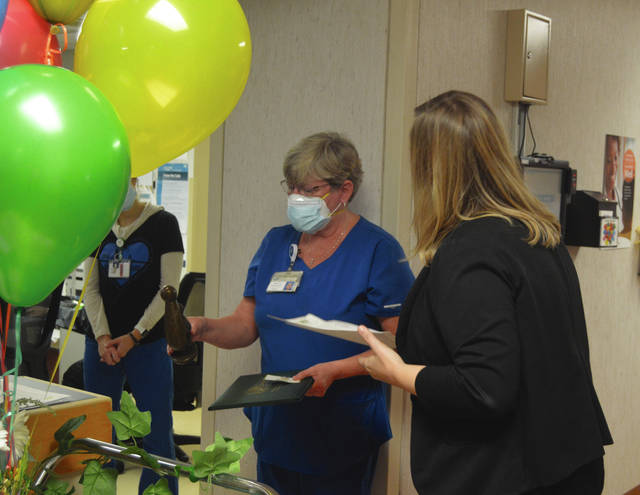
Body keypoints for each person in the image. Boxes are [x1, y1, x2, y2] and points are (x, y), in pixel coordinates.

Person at [358, 91, 612, 495]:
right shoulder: (538, 233)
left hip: (505, 475)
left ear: (431, 169)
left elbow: (484, 387)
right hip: (566, 462)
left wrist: (397, 373)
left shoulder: (469, 252)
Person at [188, 132, 415, 495]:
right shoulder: (277, 243)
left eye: (310, 190)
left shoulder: (377, 250)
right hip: (278, 425)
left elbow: (402, 343)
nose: (298, 198)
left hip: (342, 428)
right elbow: (246, 325)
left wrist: (336, 371)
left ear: (345, 190)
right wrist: (202, 328)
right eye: (292, 187)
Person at [83, 178, 183, 495]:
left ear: (134, 180)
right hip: (101, 344)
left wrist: (135, 335)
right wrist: (102, 337)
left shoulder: (164, 223)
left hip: (148, 343)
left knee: (156, 434)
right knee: (101, 431)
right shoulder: (96, 224)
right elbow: (91, 289)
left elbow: (169, 290)